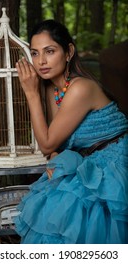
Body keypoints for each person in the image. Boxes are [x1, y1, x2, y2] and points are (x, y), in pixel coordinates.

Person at [14, 19, 128, 244]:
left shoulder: (80, 88)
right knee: (56, 202)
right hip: (88, 158)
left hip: (115, 159)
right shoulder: (54, 89)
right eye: (35, 54)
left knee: (77, 207)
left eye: (50, 51)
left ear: (69, 52)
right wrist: (54, 153)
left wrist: (31, 93)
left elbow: (46, 142)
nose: (41, 61)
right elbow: (50, 144)